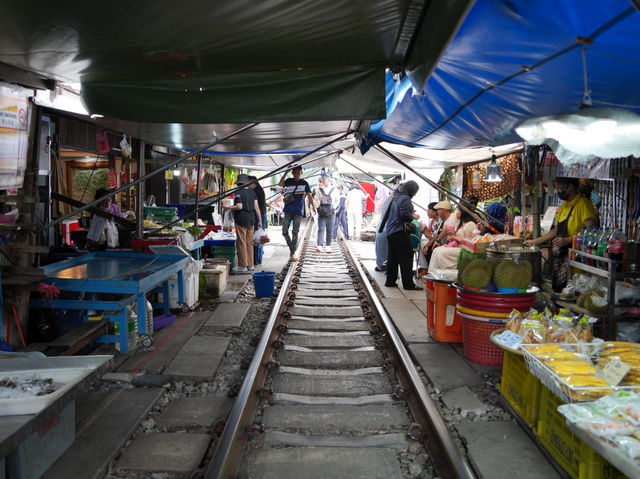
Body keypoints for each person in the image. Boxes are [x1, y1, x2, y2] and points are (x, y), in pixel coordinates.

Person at [525, 176, 598, 291]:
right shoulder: (564, 207)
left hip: (578, 258)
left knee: (575, 291)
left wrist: (569, 240)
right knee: (561, 290)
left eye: (560, 189)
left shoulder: (583, 204)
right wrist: (535, 242)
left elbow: (592, 231)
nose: (559, 192)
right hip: (562, 257)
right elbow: (556, 230)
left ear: (571, 187)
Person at [380, 180, 422, 290]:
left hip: (391, 231)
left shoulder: (396, 196)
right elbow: (405, 215)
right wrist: (413, 216)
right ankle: (408, 284)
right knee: (406, 257)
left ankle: (390, 281)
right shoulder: (405, 198)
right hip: (399, 231)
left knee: (392, 258)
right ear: (412, 191)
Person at [224, 174, 261, 274]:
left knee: (241, 243)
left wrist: (229, 208)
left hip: (241, 220)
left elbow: (239, 206)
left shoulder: (238, 193)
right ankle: (250, 265)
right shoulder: (253, 193)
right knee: (249, 243)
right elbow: (257, 207)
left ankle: (243, 266)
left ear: (239, 184)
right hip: (251, 220)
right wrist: (260, 221)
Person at [279, 165, 316, 261]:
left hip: (298, 211)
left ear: (301, 173)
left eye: (298, 173)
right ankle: (292, 247)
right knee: (284, 231)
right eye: (295, 173)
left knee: (295, 232)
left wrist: (314, 207)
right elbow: (280, 184)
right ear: (292, 173)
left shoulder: (305, 183)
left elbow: (310, 196)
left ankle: (292, 253)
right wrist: (286, 172)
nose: (297, 175)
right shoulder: (289, 181)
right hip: (288, 210)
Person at [428, 202, 479, 271]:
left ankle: (445, 274)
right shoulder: (460, 224)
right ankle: (433, 274)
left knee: (441, 253)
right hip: (456, 246)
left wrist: (454, 237)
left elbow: (469, 242)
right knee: (436, 250)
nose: (456, 212)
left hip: (464, 249)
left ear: (463, 212)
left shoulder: (470, 224)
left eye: (458, 210)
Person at [313, 174, 340, 253]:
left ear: (329, 180)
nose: (323, 181)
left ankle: (328, 246)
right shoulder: (320, 190)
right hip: (322, 213)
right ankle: (320, 246)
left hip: (331, 213)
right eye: (323, 180)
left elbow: (338, 200)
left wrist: (334, 208)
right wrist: (317, 207)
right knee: (321, 229)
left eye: (324, 180)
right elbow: (316, 199)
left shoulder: (335, 190)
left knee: (330, 230)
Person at [416, 202, 441, 274]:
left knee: (421, 243)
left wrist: (423, 230)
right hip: (433, 240)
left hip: (437, 241)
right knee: (420, 242)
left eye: (428, 211)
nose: (427, 213)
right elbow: (430, 234)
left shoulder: (439, 221)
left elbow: (434, 237)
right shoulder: (433, 221)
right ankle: (424, 266)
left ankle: (425, 268)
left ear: (435, 212)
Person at [248, 176, 267, 266]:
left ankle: (256, 260)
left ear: (254, 183)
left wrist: (259, 220)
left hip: (259, 216)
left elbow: (257, 207)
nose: (248, 186)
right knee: (259, 237)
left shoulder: (257, 191)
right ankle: (258, 260)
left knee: (257, 238)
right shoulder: (258, 190)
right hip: (261, 215)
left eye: (249, 183)